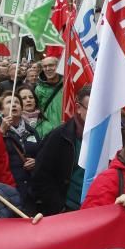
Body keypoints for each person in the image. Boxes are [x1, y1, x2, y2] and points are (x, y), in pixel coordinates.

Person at [29, 86, 90, 215]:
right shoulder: (60, 136)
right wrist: (60, 208)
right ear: (78, 108)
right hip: (70, 212)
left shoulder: (111, 135)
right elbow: (41, 177)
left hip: (101, 209)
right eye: (92, 108)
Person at [0, 92, 41, 204]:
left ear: (21, 109)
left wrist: (37, 161)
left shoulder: (31, 131)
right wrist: (1, 132)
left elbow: (41, 153)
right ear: (1, 111)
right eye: (9, 102)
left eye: (17, 102)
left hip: (32, 187)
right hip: (12, 186)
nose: (14, 105)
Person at [34, 56, 64, 137]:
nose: (48, 68)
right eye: (45, 66)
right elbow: (37, 112)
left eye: (51, 65)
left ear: (58, 67)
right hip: (48, 133)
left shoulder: (67, 84)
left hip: (67, 129)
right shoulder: (38, 89)